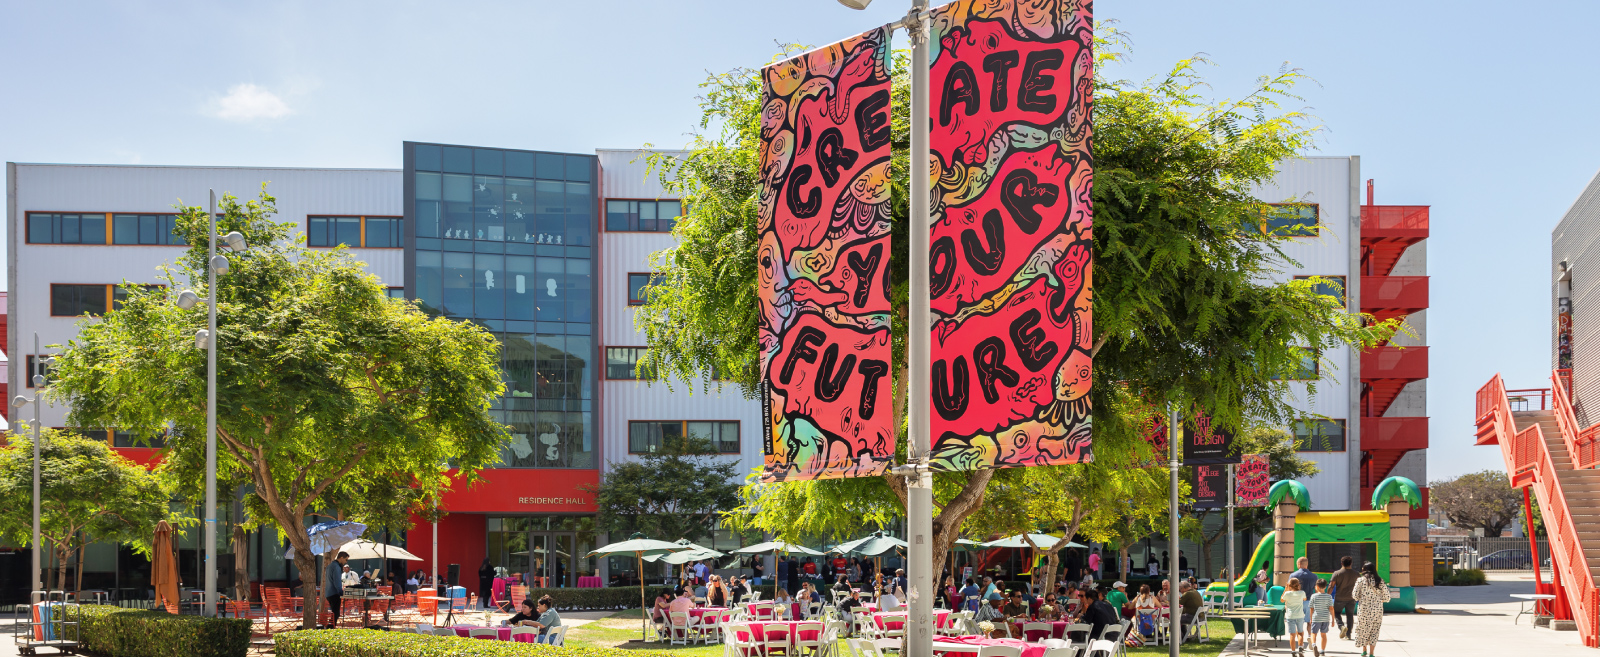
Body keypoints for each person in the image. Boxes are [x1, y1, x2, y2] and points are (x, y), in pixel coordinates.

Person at [1352, 562, 1390, 657]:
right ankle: (1372, 653)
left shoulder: (1360, 580)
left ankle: (1364, 650)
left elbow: (1354, 595)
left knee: (1364, 629)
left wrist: (1361, 598)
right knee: (1375, 630)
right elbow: (1387, 597)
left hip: (1364, 609)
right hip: (1377, 610)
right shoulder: (1379, 580)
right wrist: (1379, 600)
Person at [1329, 555, 1359, 640]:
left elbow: (1331, 586)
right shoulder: (1356, 574)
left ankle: (1341, 627)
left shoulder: (1337, 573)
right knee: (1350, 615)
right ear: (1351, 563)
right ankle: (1348, 634)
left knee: (1337, 613)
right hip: (1351, 598)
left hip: (1339, 598)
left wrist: (1327, 595)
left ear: (1341, 563)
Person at [323, 551, 350, 628]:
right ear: (341, 558)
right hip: (334, 593)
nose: (346, 562)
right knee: (335, 613)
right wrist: (342, 593)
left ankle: (330, 627)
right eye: (346, 560)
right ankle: (330, 628)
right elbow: (337, 582)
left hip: (328, 592)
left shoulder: (330, 566)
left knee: (334, 613)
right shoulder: (336, 567)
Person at [1282, 578, 1308, 655]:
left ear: (1289, 585)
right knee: (1300, 632)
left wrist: (1286, 589)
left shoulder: (1287, 594)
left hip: (1290, 616)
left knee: (1292, 634)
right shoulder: (1302, 592)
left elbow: (1282, 600)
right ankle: (1300, 646)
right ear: (1298, 584)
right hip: (1300, 615)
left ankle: (1293, 651)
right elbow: (1305, 599)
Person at [1308, 579, 1334, 657]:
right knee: (1323, 635)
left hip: (1316, 618)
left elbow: (1311, 608)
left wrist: (1311, 618)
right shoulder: (1329, 596)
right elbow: (1331, 608)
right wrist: (1333, 619)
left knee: (1313, 633)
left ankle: (1313, 645)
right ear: (1325, 587)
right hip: (1325, 618)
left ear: (1317, 587)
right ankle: (1322, 651)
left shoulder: (1313, 596)